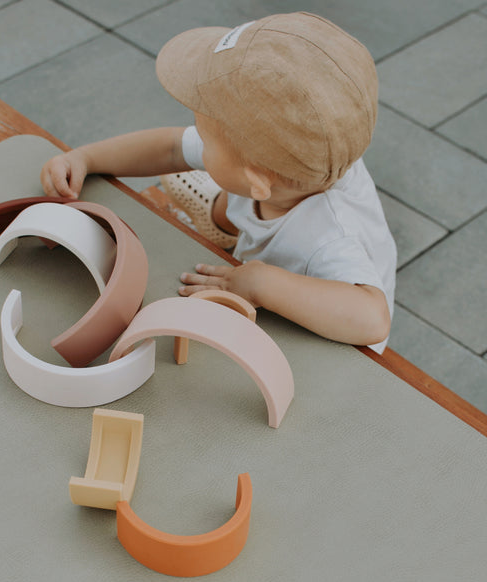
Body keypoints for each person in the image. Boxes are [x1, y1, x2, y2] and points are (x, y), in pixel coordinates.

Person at [40, 12, 396, 353]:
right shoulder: (305, 160)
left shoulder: (330, 239)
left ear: (257, 182)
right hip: (262, 215)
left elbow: (373, 319)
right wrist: (85, 158)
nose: (197, 140)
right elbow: (169, 147)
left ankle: (231, 229)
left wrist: (261, 285)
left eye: (207, 142)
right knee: (238, 198)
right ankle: (223, 220)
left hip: (318, 329)